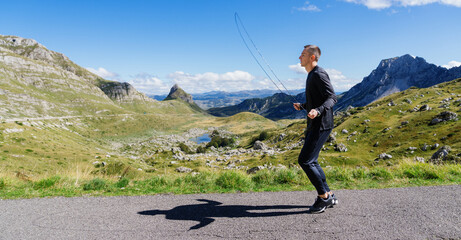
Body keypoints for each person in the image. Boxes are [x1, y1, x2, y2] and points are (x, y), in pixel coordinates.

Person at [293, 45, 338, 213]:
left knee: (305, 160)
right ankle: (329, 194)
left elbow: (332, 97)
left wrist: (318, 111)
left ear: (312, 57)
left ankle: (323, 198)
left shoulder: (318, 74)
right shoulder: (311, 75)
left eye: (303, 54)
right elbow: (316, 100)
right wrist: (304, 106)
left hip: (322, 125)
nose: (299, 57)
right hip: (317, 124)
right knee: (312, 160)